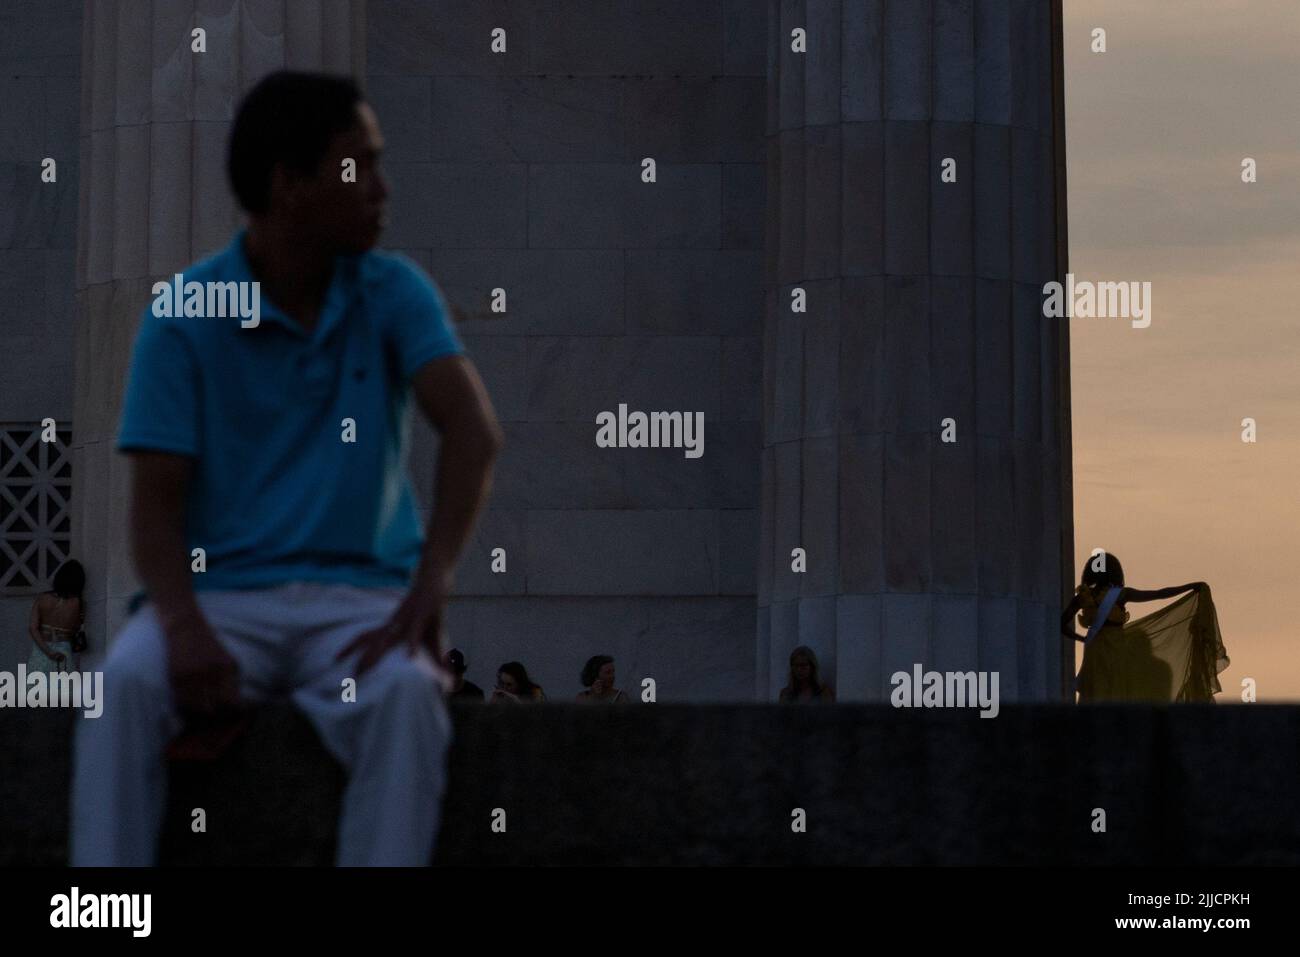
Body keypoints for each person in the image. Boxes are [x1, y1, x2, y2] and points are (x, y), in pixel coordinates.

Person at [69, 71, 503, 867]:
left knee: (408, 697)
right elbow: (155, 508)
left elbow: (473, 430)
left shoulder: (393, 292)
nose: (381, 188)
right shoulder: (184, 314)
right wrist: (187, 629)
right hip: (221, 596)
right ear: (289, 184)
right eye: (358, 166)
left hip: (358, 603)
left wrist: (432, 578)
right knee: (122, 687)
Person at [1061, 552, 1229, 702]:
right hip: (1116, 649)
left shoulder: (1083, 596)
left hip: (1095, 650)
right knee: (1117, 688)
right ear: (1116, 573)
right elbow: (1158, 594)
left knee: (1096, 689)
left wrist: (1082, 638)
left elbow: (1063, 625)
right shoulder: (1121, 594)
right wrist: (1189, 586)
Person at [28, 559, 87, 674]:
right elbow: (75, 628)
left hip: (41, 649)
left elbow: (32, 628)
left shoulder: (42, 598)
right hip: (64, 651)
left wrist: (49, 651)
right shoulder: (79, 603)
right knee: (64, 689)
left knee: (36, 689)